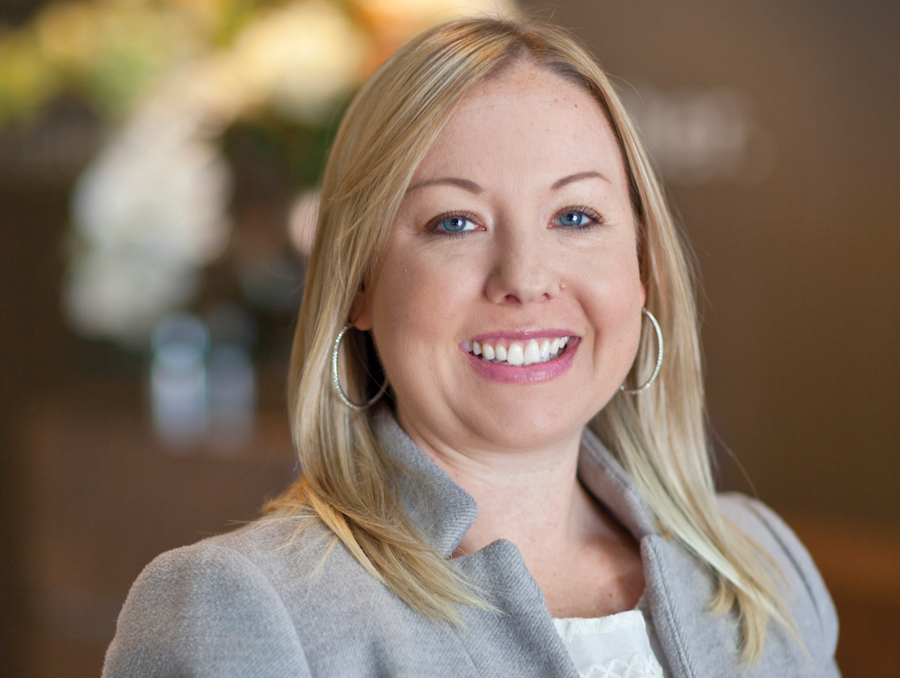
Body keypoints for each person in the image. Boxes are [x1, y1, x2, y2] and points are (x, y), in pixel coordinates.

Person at [103, 17, 840, 678]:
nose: (524, 278)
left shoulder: (763, 564)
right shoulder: (238, 607)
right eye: (455, 223)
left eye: (576, 215)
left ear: (642, 268)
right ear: (358, 283)